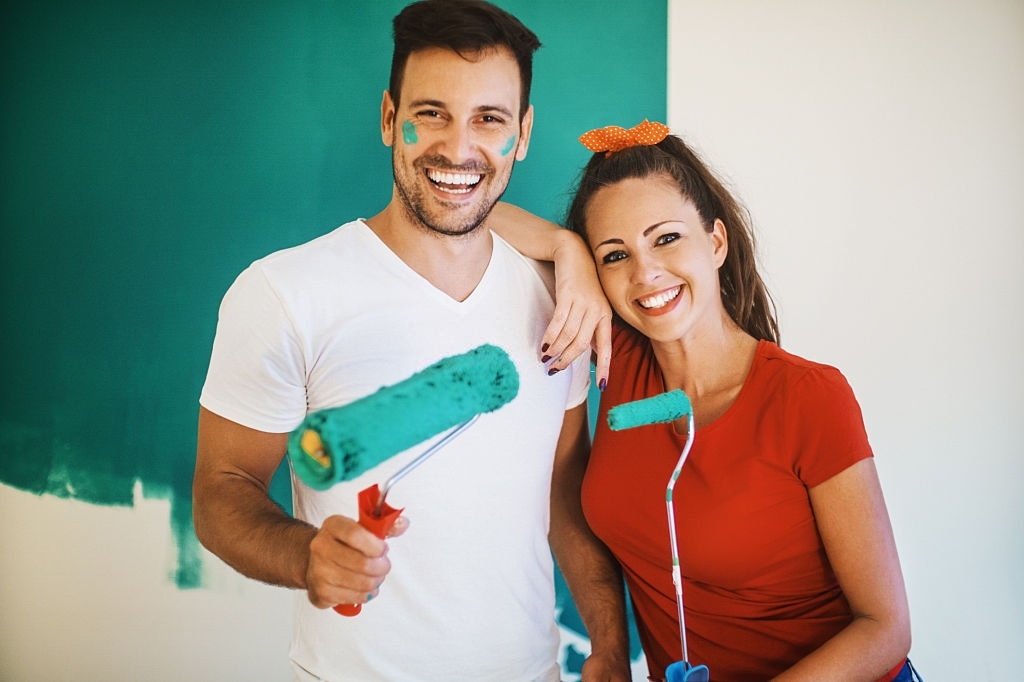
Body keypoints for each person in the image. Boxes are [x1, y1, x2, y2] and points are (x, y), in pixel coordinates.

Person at [191, 2, 628, 680]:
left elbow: (564, 498)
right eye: (432, 113)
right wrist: (307, 556)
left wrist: (608, 647)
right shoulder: (283, 294)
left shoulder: (561, 302)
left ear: (524, 132)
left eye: (489, 119)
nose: (458, 149)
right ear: (390, 118)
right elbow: (222, 492)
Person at [499, 120, 917, 682]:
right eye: (615, 254)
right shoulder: (614, 351)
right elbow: (476, 215)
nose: (646, 274)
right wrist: (566, 249)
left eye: (666, 238)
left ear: (715, 242)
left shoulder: (808, 396)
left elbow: (885, 629)